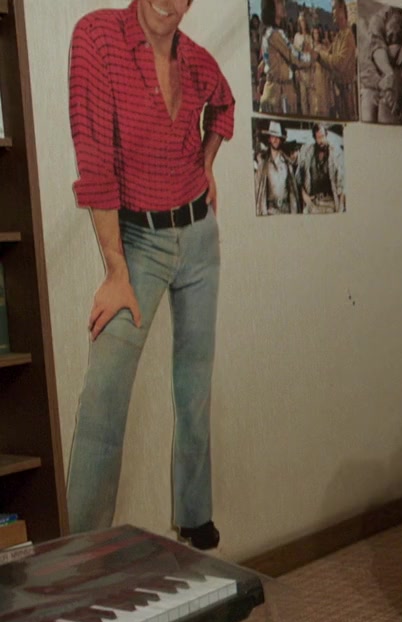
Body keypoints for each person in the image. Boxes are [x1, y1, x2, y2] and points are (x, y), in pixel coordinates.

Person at [66, 0, 233, 549]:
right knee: (104, 397)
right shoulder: (97, 38)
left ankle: (195, 516)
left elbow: (224, 105)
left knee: (195, 385)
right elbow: (94, 160)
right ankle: (82, 549)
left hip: (199, 237)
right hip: (138, 240)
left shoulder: (196, 59)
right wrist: (115, 268)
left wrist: (205, 164)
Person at [297, 123, 344, 213]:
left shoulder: (335, 153)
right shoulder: (307, 153)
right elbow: (298, 178)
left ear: (326, 135)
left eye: (322, 136)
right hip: (313, 203)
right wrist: (305, 196)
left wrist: (341, 208)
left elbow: (342, 183)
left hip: (330, 203)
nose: (321, 140)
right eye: (318, 137)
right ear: (315, 138)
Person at [255, 120, 299, 215]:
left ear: (281, 139)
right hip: (270, 211)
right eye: (273, 136)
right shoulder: (263, 164)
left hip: (286, 210)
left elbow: (292, 190)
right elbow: (258, 188)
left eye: (277, 137)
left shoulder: (287, 163)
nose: (275, 140)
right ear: (269, 139)